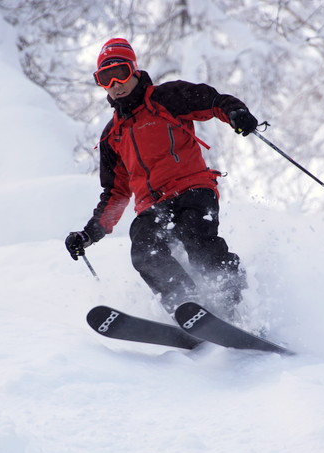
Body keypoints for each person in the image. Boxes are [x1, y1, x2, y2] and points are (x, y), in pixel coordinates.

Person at [65, 38, 258, 318]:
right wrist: (88, 234)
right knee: (143, 250)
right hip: (151, 206)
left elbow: (213, 101)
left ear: (133, 70)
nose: (115, 83)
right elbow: (115, 194)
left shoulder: (166, 98)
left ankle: (236, 304)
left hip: (192, 189)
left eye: (120, 72)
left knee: (196, 238)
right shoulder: (111, 136)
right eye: (105, 78)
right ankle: (187, 307)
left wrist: (235, 112)